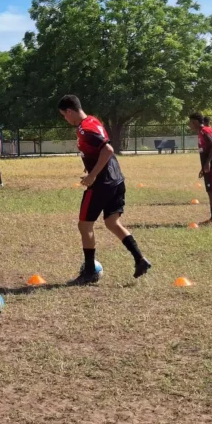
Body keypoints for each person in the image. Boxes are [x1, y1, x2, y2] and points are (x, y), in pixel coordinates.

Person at [58, 95, 151, 283]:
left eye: (64, 116)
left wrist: (92, 175)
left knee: (84, 225)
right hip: (117, 180)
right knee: (111, 223)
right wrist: (90, 167)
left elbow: (108, 150)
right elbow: (97, 151)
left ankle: (90, 272)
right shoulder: (92, 120)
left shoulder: (85, 129)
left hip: (102, 184)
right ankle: (140, 259)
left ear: (69, 111)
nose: (65, 119)